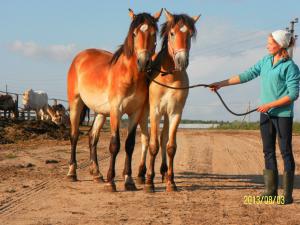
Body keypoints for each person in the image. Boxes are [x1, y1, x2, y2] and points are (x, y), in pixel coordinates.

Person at [209, 30, 300, 204]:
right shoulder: (265, 61)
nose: (267, 46)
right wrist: (221, 84)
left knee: (286, 152)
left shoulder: (290, 67)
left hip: (283, 115)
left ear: (280, 45)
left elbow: (294, 94)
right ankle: (270, 191)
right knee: (268, 151)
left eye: (270, 43)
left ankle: (287, 195)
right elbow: (246, 75)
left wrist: (270, 105)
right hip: (265, 114)